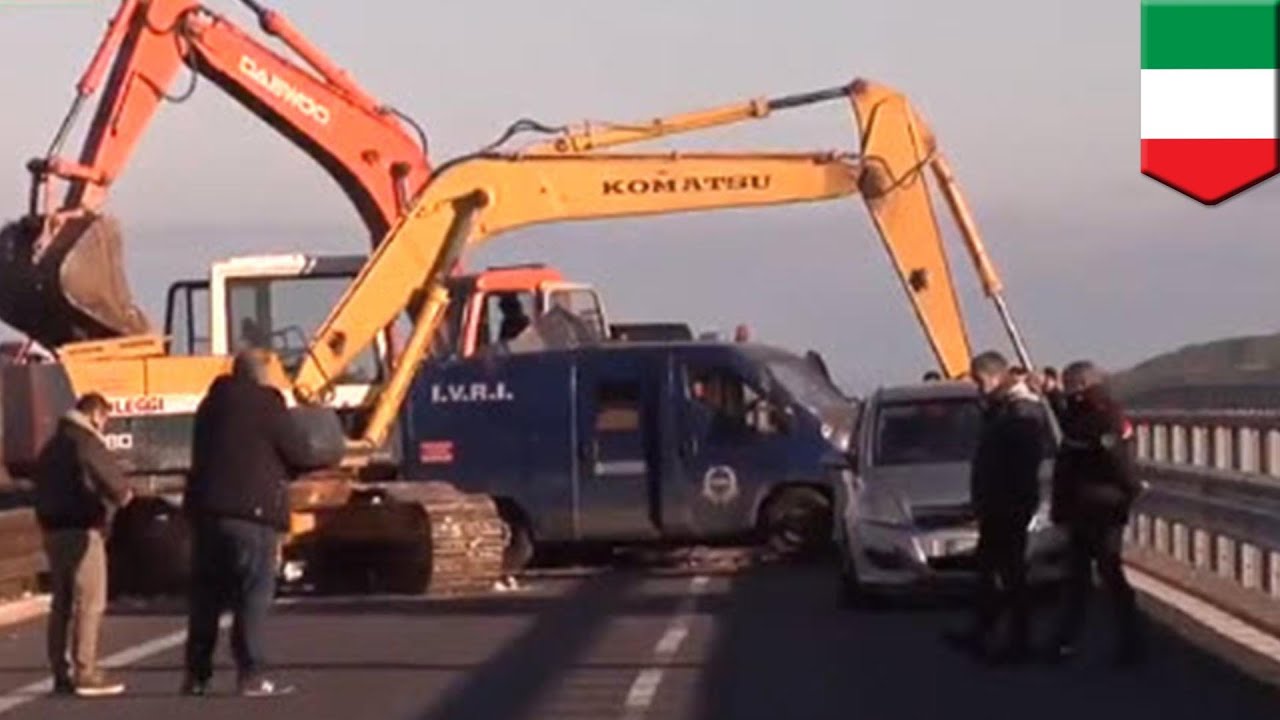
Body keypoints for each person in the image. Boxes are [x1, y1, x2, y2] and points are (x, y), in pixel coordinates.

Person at [181, 350, 313, 697]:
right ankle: (251, 673)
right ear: (262, 375)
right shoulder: (267, 405)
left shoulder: (209, 406)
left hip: (207, 512)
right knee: (253, 592)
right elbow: (299, 452)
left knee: (206, 596)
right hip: (252, 513)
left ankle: (197, 675)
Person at [944, 350, 1046, 664]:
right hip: (997, 501)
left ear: (993, 376)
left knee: (1009, 572)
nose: (978, 388)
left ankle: (1017, 641)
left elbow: (1022, 462)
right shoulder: (1002, 408)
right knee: (990, 568)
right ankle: (985, 630)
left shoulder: (1021, 410)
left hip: (1009, 502)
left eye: (979, 381)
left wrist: (1005, 497)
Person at [33, 392, 133, 696]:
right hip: (82, 529)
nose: (105, 426)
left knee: (61, 604)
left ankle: (60, 673)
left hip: (52, 531)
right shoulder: (87, 443)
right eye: (105, 420)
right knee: (90, 602)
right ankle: (86, 672)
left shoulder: (51, 446)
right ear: (96, 415)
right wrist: (123, 497)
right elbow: (117, 487)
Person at [1048, 360, 1146, 665]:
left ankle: (1127, 643)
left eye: (1068, 385)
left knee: (1105, 573)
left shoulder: (1101, 415)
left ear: (1081, 385)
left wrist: (1130, 488)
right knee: (1084, 575)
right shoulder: (1088, 413)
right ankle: (1067, 640)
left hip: (1100, 506)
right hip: (1089, 506)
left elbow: (1116, 460)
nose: (1065, 390)